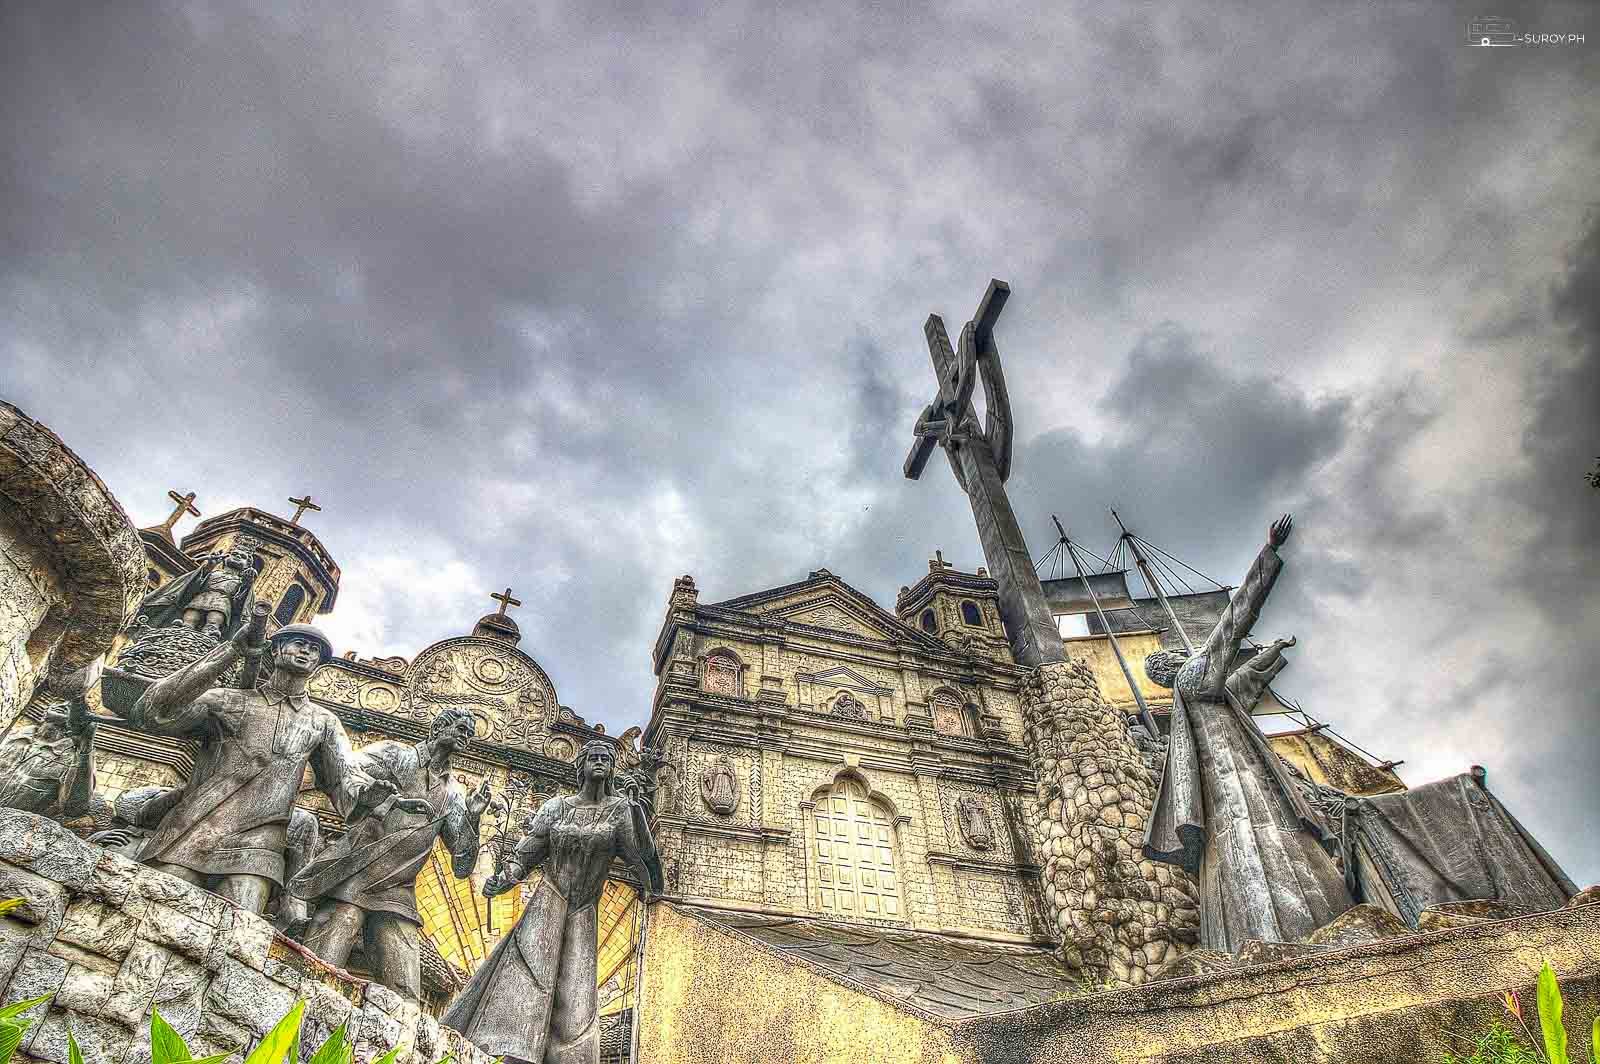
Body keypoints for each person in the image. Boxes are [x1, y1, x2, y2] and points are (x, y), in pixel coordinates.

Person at [1143, 515, 1353, 952]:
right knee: (1263, 850)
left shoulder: (1200, 692)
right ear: (1176, 663)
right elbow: (1234, 621)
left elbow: (1243, 686)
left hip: (1236, 783)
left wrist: (1271, 654)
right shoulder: (1195, 675)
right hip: (1238, 783)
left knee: (1248, 853)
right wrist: (1268, 555)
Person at [125, 622, 392, 915]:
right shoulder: (228, 700)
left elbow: (342, 781)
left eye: (314, 649)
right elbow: (151, 712)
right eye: (298, 643)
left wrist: (367, 797)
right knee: (145, 913)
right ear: (275, 648)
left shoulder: (323, 722)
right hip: (192, 829)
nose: (306, 650)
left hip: (260, 846)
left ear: (318, 663)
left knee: (236, 933)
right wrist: (231, 650)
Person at [442, 740, 661, 1063]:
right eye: (594, 757)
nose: (600, 762)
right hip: (549, 900)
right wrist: (505, 879)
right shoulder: (557, 807)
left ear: (613, 768)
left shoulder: (620, 811)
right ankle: (510, 1052)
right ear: (582, 765)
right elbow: (528, 851)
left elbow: (644, 860)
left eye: (606, 759)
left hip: (583, 911)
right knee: (527, 978)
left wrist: (637, 810)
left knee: (575, 996)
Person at [288, 708, 492, 995]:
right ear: (438, 727)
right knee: (315, 970)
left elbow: (462, 865)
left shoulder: (454, 793)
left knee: (407, 996)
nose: (466, 737)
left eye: (470, 735)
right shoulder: (394, 755)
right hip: (354, 876)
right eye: (461, 729)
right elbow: (345, 773)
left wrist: (472, 818)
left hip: (397, 892)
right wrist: (390, 800)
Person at [0, 696, 96, 820]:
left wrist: (86, 746)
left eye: (78, 709)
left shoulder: (75, 759)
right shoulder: (10, 734)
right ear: (43, 714)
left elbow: (74, 808)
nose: (66, 703)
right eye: (62, 701)